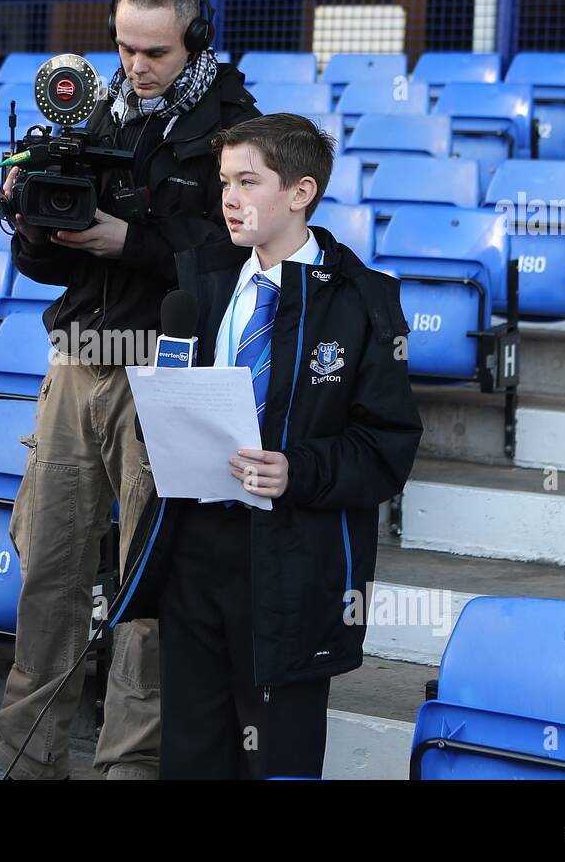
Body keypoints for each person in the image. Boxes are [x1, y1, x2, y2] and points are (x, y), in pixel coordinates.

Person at [0, 0, 260, 780]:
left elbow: (242, 261)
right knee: (48, 565)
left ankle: (130, 765)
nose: (135, 64)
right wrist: (32, 219)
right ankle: (24, 755)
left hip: (170, 370)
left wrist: (135, 243)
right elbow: (54, 260)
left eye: (154, 50)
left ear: (197, 39)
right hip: (77, 360)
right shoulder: (89, 109)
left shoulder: (239, 128)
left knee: (149, 584)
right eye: (123, 47)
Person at [111, 113, 423, 779]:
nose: (228, 196)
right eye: (224, 181)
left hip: (291, 563)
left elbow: (386, 448)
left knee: (275, 756)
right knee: (191, 751)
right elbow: (166, 408)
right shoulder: (204, 281)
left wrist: (296, 470)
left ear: (301, 191)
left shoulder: (363, 301)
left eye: (248, 181)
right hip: (195, 550)